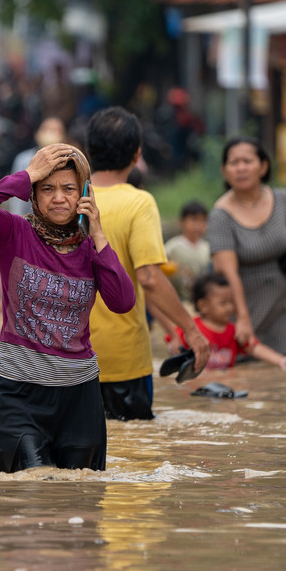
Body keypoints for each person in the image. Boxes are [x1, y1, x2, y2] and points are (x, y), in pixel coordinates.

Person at [0, 142, 136, 473]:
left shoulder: (92, 250)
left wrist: (98, 233)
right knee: (33, 492)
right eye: (47, 189)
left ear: (85, 193)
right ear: (34, 196)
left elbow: (123, 302)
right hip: (17, 393)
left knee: (77, 505)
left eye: (69, 189)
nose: (58, 198)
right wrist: (27, 174)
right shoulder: (14, 233)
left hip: (79, 399)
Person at [83, 108, 210, 422]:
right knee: (132, 455)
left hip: (63, 359)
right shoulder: (138, 203)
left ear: (89, 151)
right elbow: (149, 278)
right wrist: (191, 330)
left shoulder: (65, 200)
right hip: (121, 359)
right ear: (137, 154)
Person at [207, 136, 286, 356]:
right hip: (244, 310)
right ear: (224, 171)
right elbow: (228, 273)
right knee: (248, 377)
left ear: (263, 166)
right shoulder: (220, 216)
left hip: (285, 308)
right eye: (234, 163)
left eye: (247, 161)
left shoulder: (284, 201)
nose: (241, 168)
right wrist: (243, 318)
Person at [175, 273, 286, 370]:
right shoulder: (191, 329)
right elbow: (175, 344)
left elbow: (254, 348)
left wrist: (280, 360)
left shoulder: (234, 331)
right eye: (223, 303)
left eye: (231, 302)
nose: (230, 307)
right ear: (203, 306)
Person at [164, 200, 212, 302]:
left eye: (203, 221)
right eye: (194, 220)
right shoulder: (171, 248)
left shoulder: (208, 249)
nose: (198, 225)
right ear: (182, 222)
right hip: (177, 300)